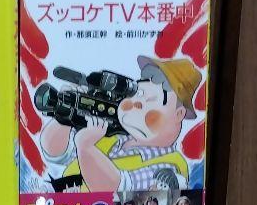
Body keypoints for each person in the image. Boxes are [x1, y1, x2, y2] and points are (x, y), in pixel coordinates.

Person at [39, 55, 201, 193]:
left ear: (178, 114)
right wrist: (65, 116)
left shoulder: (171, 166)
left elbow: (117, 190)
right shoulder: (111, 136)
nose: (136, 104)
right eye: (138, 94)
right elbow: (57, 154)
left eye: (151, 101)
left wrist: (86, 147)